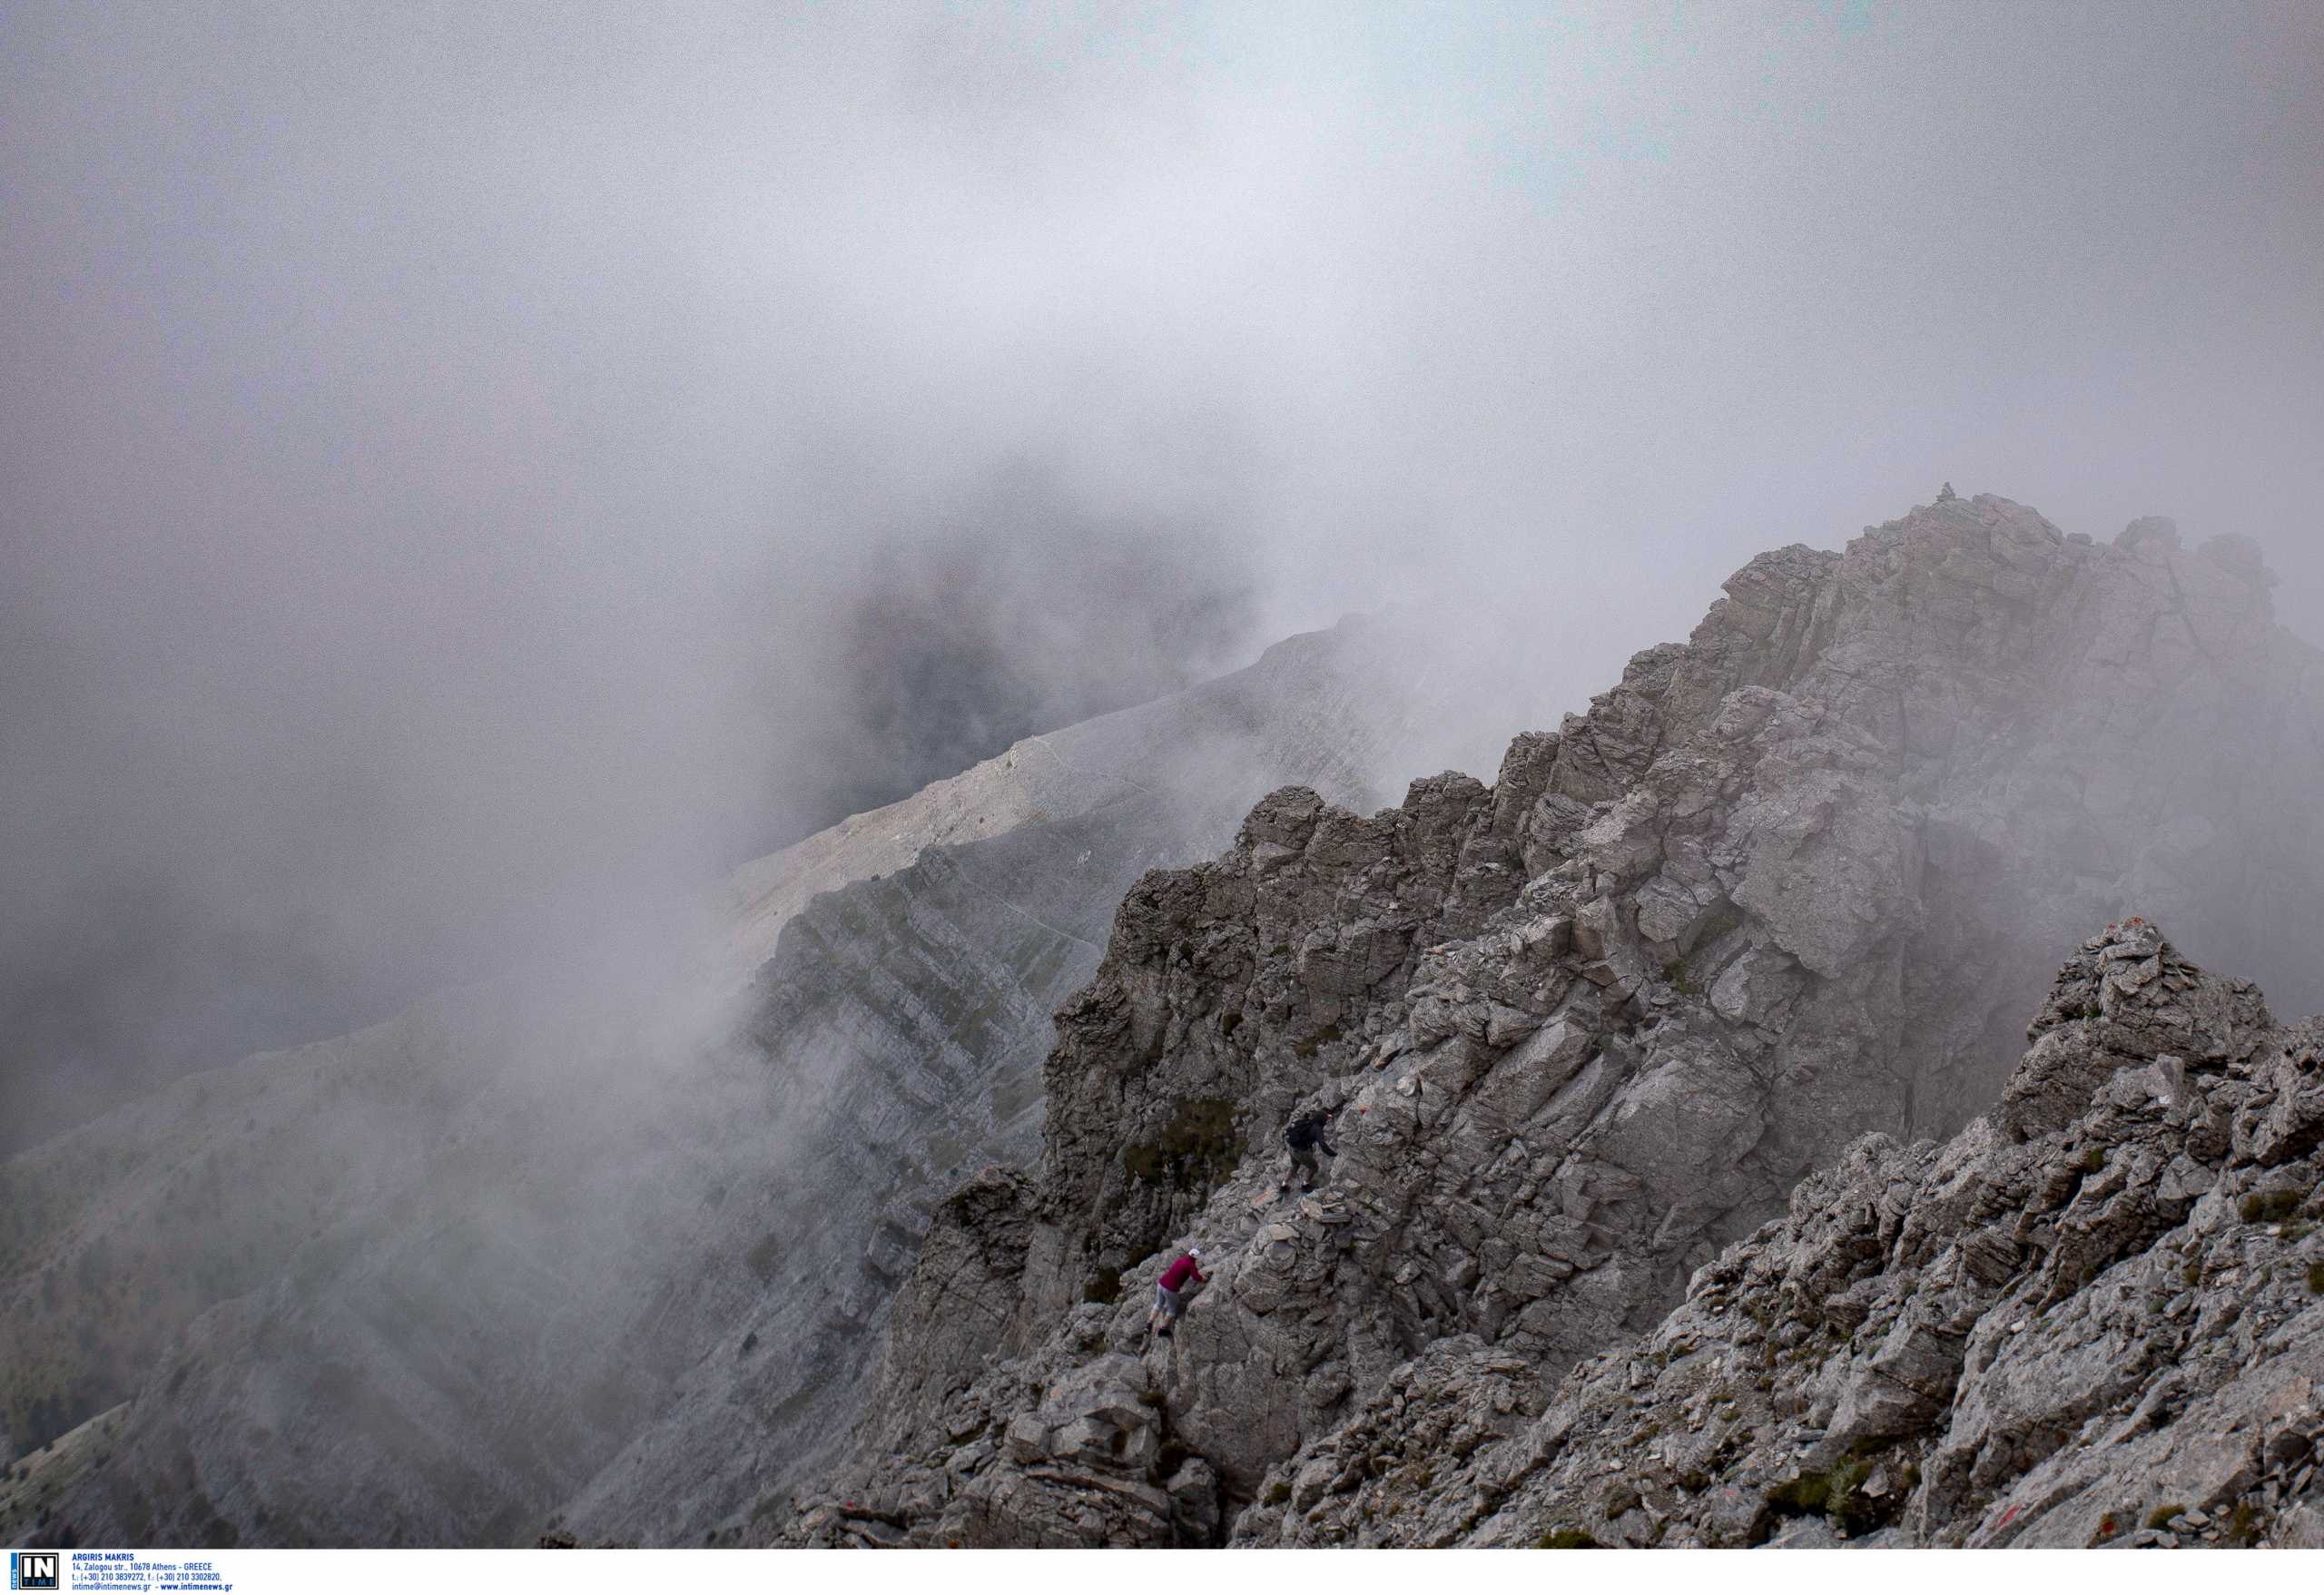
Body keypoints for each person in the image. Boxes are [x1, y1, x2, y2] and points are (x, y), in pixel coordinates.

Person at [1152, 1246, 1205, 1339]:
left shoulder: (1181, 1260)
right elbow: (1196, 1277)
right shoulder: (1191, 1265)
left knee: (1159, 1303)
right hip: (1171, 1289)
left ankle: (1150, 1322)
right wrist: (1203, 1279)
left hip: (1161, 1283)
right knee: (1172, 1309)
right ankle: (1162, 1330)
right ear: (1196, 1258)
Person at [1284, 1106, 1338, 1191]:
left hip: (1291, 1147)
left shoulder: (1308, 1121)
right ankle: (1305, 1185)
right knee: (1314, 1167)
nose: (1326, 1121)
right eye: (1326, 1119)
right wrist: (1334, 1154)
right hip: (1300, 1151)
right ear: (1322, 1120)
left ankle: (1284, 1185)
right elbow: (1323, 1145)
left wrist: (1329, 1115)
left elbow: (1322, 1116)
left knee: (1295, 1165)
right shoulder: (1317, 1129)